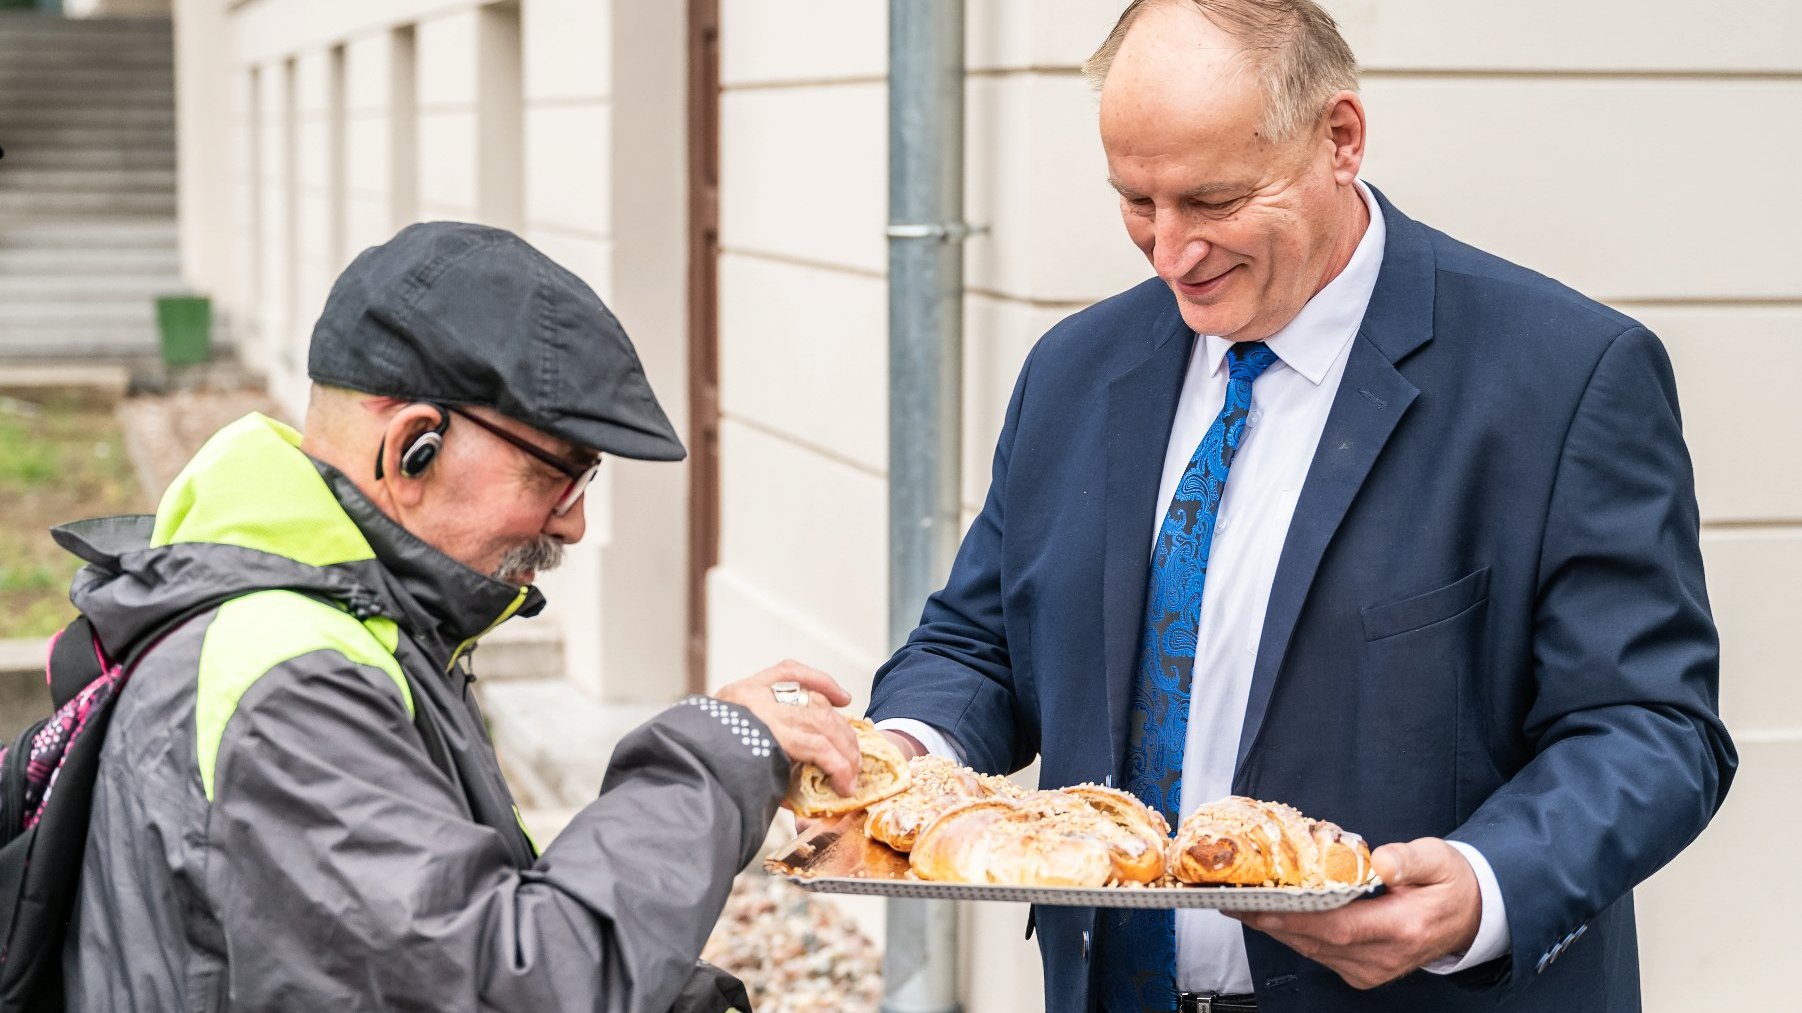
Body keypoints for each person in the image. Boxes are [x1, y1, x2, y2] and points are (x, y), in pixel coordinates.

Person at [867, 2, 1736, 1011]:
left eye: (1213, 199)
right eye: (1136, 201)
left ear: (1338, 138)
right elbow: (979, 644)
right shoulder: (1072, 370)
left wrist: (1482, 887)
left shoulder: (1563, 375)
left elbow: (1650, 725)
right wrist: (896, 755)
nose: (1170, 251)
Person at [61, 221, 862, 1012]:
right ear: (415, 444)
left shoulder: (355, 616)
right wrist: (719, 750)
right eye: (563, 476)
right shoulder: (284, 679)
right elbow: (518, 985)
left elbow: (438, 942)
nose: (573, 522)